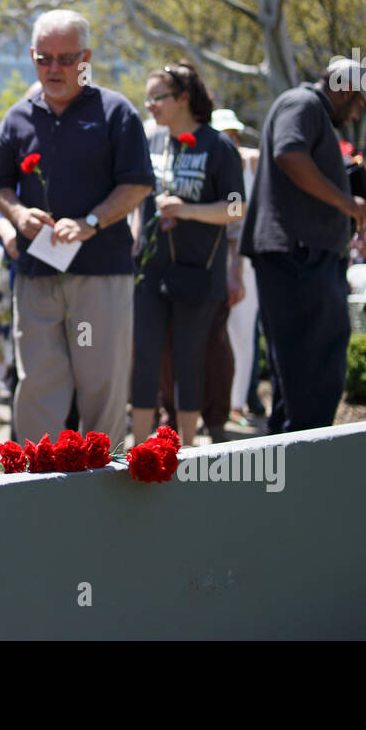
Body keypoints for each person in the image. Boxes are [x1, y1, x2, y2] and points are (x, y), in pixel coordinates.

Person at [0, 9, 155, 445]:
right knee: (39, 384)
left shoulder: (116, 112)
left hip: (100, 272)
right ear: (31, 57)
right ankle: (34, 492)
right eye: (44, 59)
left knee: (102, 385)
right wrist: (18, 216)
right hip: (38, 274)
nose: (54, 69)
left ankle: (106, 492)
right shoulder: (19, 116)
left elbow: (137, 185)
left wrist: (91, 222)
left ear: (86, 57)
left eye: (66, 58)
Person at [240, 57, 366, 434]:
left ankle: (291, 455)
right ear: (345, 88)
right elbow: (289, 153)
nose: (357, 114)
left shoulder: (308, 109)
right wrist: (347, 202)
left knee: (302, 367)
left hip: (302, 254)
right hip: (298, 254)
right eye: (359, 103)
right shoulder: (304, 103)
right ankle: (304, 457)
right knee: (312, 365)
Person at [131, 63, 245, 446]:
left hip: (198, 274)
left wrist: (187, 210)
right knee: (145, 359)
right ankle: (141, 450)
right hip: (150, 272)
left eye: (157, 97)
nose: (150, 106)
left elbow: (235, 208)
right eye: (147, 98)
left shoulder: (219, 146)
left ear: (183, 98)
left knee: (188, 362)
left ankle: (187, 451)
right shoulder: (153, 141)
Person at [212, 107, 261, 427]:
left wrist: (238, 268)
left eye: (234, 135)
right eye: (223, 135)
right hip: (212, 261)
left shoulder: (252, 165)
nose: (230, 141)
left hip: (245, 261)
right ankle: (213, 404)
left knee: (243, 334)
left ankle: (237, 404)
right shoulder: (209, 164)